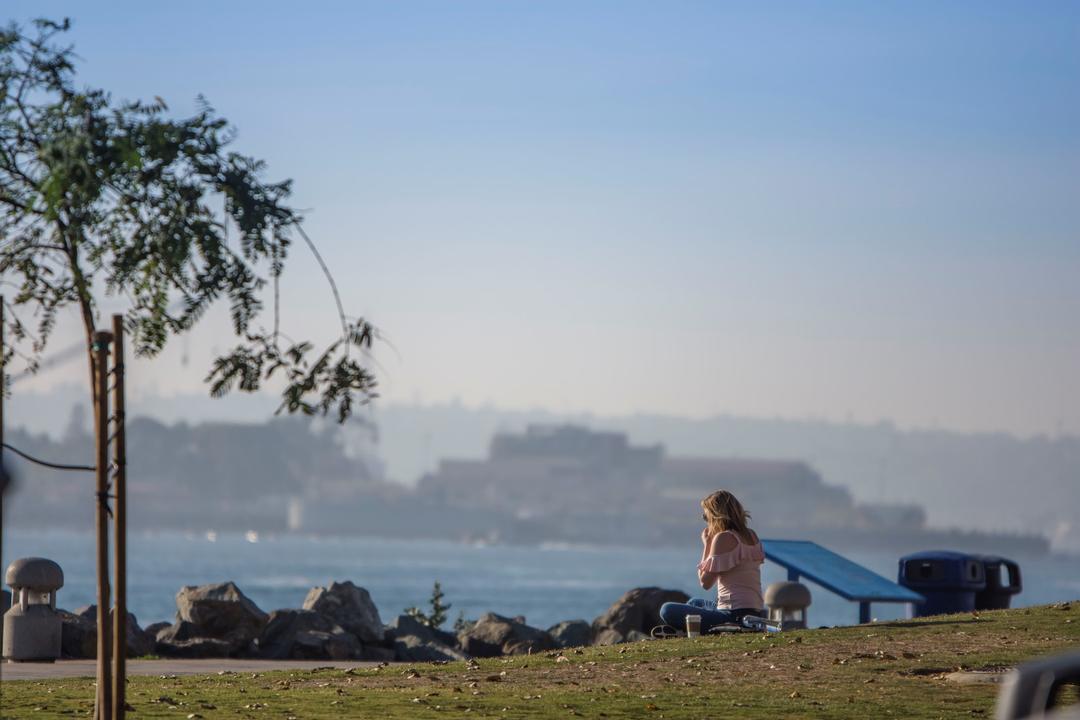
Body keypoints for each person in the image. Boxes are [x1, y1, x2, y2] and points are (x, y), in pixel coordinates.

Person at [658, 489, 765, 633]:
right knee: (694, 603)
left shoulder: (723, 538)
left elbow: (705, 583)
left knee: (667, 609)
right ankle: (686, 630)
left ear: (715, 515)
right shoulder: (752, 535)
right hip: (754, 613)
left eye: (705, 516)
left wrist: (707, 544)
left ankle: (688, 631)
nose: (705, 520)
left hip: (733, 616)